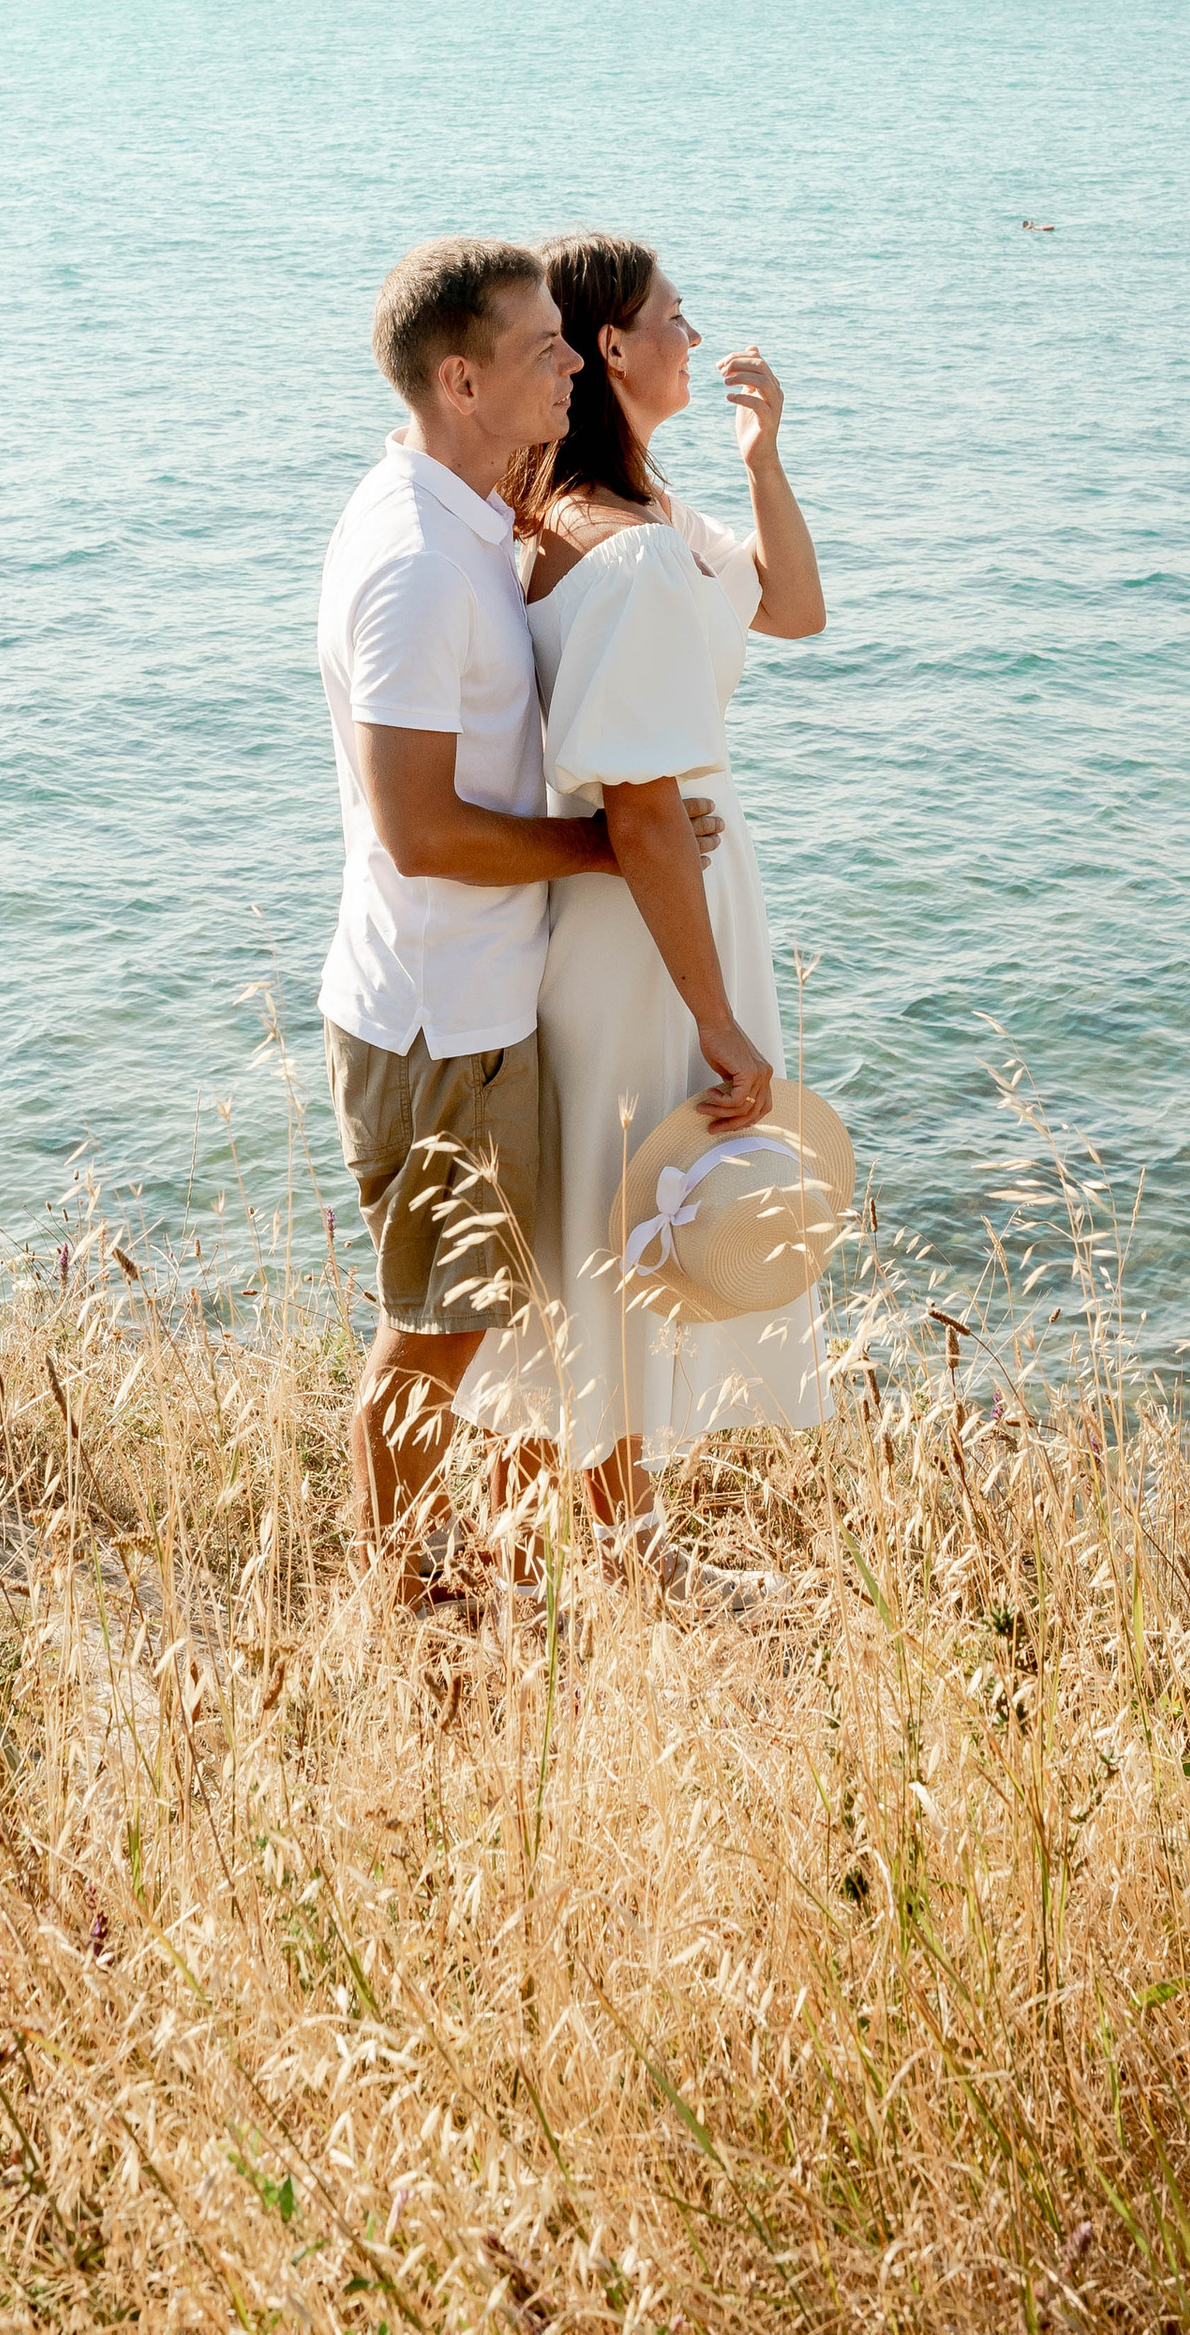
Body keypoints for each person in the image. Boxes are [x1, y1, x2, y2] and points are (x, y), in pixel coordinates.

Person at [317, 236, 717, 1603]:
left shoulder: (469, 519)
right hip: (436, 1014)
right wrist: (607, 847)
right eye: (543, 347)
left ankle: (479, 1567)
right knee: (431, 1338)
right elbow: (417, 827)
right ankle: (405, 1610)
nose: (570, 362)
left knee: (495, 1321)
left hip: (480, 997)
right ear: (459, 380)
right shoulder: (420, 566)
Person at [460, 233, 830, 1575]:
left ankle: (600, 1535)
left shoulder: (631, 523)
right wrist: (723, 1022)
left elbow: (797, 609)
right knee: (618, 1219)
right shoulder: (617, 555)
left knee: (602, 1224)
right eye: (676, 320)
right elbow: (637, 805)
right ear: (611, 346)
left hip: (652, 908)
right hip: (646, 927)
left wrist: (761, 458)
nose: (696, 337)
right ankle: (596, 1546)